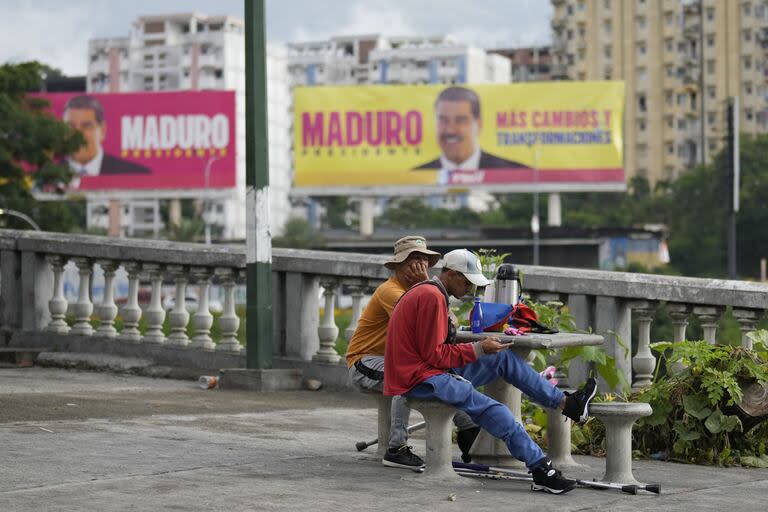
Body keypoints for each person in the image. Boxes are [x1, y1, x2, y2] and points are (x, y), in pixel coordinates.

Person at [384, 249, 597, 495]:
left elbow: (435, 352)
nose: (470, 289)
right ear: (451, 274)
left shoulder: (432, 293)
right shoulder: (431, 297)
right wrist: (478, 348)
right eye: (467, 282)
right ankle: (540, 468)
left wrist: (478, 349)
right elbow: (435, 355)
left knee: (502, 358)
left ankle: (567, 403)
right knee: (494, 409)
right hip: (419, 379)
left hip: (425, 371)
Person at [346, 236, 480, 470]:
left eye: (424, 260)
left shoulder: (424, 292)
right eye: (412, 260)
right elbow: (448, 324)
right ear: (398, 265)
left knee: (441, 371)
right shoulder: (393, 291)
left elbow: (447, 327)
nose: (420, 266)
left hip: (393, 359)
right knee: (407, 376)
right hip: (365, 361)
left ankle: (467, 428)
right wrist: (428, 283)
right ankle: (396, 447)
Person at [414, 86, 528, 183]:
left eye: (460, 120)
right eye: (443, 120)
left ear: (478, 124)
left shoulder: (517, 173)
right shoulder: (416, 176)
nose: (450, 130)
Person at [63, 95, 151, 179]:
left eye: (86, 126)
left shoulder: (135, 174)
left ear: (102, 130)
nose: (77, 133)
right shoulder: (51, 175)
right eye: (70, 126)